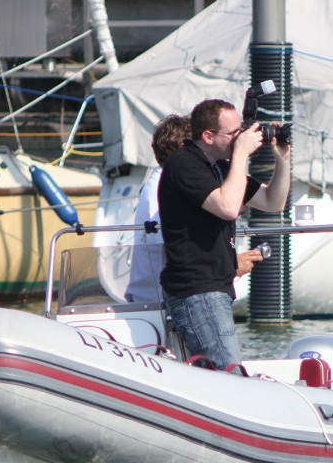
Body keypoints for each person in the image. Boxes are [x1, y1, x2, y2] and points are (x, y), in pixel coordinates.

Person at [157, 98, 291, 370]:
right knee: (228, 372)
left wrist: (282, 160)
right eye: (233, 133)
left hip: (215, 288)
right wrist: (241, 154)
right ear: (207, 136)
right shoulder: (184, 164)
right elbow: (229, 208)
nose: (240, 137)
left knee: (221, 372)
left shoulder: (219, 165)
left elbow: (272, 202)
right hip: (197, 291)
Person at [125, 114, 265, 303]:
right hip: (159, 301)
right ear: (186, 149)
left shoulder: (163, 181)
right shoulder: (171, 183)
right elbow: (175, 249)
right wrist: (232, 264)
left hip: (159, 297)